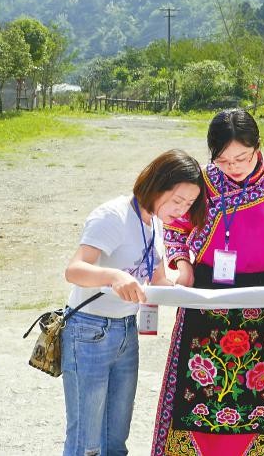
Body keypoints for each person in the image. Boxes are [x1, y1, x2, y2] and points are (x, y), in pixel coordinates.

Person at [151, 109, 264, 455]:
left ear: (258, 147)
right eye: (223, 160)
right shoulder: (200, 184)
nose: (232, 167)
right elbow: (174, 226)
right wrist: (182, 264)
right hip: (204, 296)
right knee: (194, 391)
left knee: (257, 397)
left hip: (263, 301)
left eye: (242, 158)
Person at [61, 149, 207, 456]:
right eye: (177, 200)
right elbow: (74, 270)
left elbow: (159, 280)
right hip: (89, 330)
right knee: (87, 442)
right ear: (157, 184)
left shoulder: (155, 222)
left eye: (189, 204)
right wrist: (114, 276)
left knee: (116, 440)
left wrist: (191, 284)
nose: (182, 210)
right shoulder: (113, 216)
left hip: (126, 330)